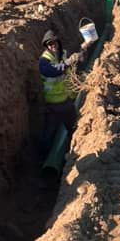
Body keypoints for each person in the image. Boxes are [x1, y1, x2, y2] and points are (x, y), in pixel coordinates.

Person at [38, 29, 89, 158]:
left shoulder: (63, 54)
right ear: (46, 46)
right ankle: (43, 158)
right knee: (48, 134)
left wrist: (80, 56)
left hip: (66, 102)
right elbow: (53, 71)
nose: (52, 46)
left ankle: (73, 154)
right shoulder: (44, 61)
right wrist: (68, 62)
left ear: (58, 42)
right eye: (49, 44)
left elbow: (71, 69)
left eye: (54, 43)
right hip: (53, 104)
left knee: (73, 129)